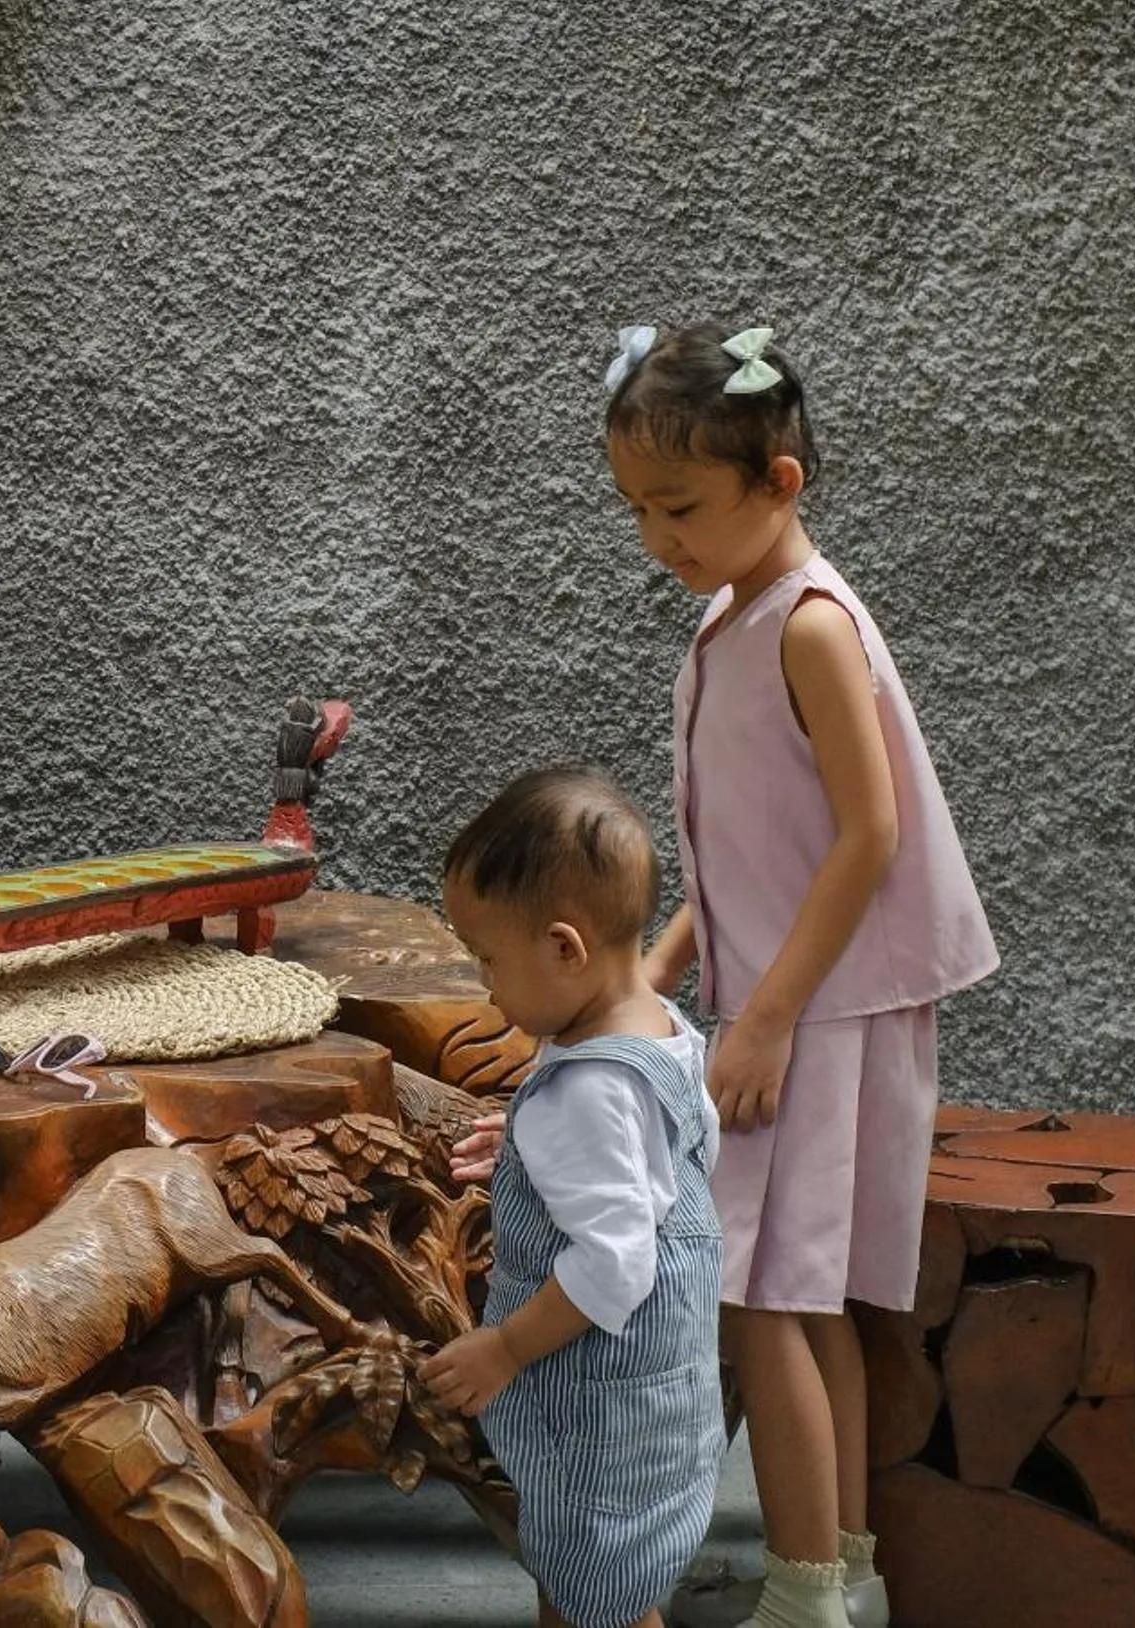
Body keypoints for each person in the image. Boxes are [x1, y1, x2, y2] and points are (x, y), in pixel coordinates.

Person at [603, 325, 998, 1628]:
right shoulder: (736, 611)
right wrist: (658, 965)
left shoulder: (811, 627)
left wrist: (763, 1018)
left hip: (819, 1008)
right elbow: (747, 853)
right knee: (800, 1288)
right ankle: (846, 1572)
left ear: (781, 482)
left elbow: (869, 833)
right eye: (638, 512)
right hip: (794, 998)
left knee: (759, 1294)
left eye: (681, 508)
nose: (659, 541)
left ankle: (806, 1589)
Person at [425, 768, 724, 1628]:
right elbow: (674, 1164)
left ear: (565, 948)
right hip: (662, 1387)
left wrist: (505, 1350)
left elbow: (616, 1262)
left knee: (593, 1585)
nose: (484, 985)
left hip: (597, 1394)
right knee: (615, 1578)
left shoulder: (580, 1090)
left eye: (487, 957)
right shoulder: (664, 1033)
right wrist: (530, 1151)